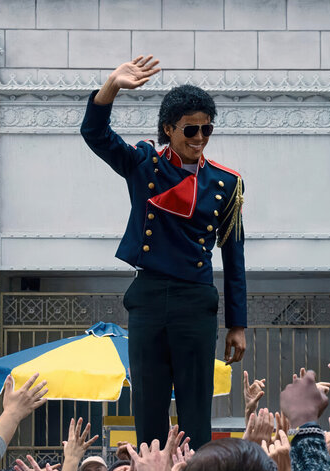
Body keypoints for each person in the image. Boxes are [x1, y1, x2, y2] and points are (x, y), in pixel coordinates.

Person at [81, 54, 248, 450]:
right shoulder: (144, 164)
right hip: (150, 297)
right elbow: (95, 134)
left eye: (207, 128)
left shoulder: (227, 183)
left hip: (196, 300)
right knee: (148, 405)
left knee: (196, 409)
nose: (200, 137)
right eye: (191, 129)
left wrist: (237, 324)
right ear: (169, 129)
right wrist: (111, 86)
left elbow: (234, 255)